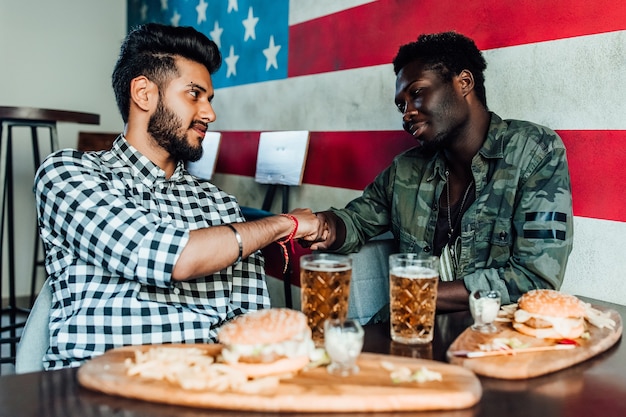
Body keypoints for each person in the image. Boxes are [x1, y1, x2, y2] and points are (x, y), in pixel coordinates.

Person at [33, 23, 320, 369]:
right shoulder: (69, 174)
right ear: (143, 93)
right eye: (194, 94)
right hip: (98, 390)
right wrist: (282, 224)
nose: (209, 114)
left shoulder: (220, 205)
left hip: (205, 389)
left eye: (210, 99)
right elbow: (168, 255)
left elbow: (249, 328)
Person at [305, 31, 573, 312]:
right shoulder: (405, 170)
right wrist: (322, 225)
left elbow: (535, 279)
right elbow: (356, 222)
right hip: (408, 331)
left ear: (464, 83)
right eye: (401, 105)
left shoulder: (534, 151)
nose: (407, 113)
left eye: (417, 93)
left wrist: (417, 294)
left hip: (494, 342)